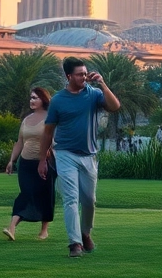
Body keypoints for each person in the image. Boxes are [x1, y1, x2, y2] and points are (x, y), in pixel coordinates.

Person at [40, 57, 122, 258]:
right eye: (79, 74)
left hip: (89, 156)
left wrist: (102, 83)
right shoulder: (58, 100)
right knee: (70, 199)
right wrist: (43, 159)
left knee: (89, 200)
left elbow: (115, 106)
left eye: (85, 73)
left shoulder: (93, 94)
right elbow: (48, 131)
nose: (84, 77)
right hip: (65, 154)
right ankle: (74, 243)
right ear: (69, 76)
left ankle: (85, 233)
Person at [4, 87, 54, 242]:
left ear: (43, 100)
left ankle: (44, 230)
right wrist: (11, 160)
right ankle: (11, 227)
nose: (32, 100)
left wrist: (46, 157)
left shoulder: (51, 118)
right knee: (26, 194)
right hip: (25, 164)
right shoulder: (26, 119)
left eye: (35, 98)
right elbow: (20, 142)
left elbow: (54, 140)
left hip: (45, 163)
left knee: (46, 195)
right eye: (31, 97)